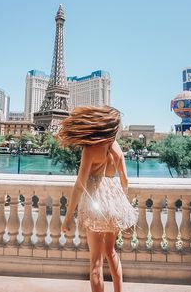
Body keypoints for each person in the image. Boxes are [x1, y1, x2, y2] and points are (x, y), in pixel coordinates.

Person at [58, 106, 138, 292]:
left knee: (95, 262)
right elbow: (125, 180)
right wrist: (120, 204)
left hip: (96, 204)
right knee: (111, 252)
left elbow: (80, 185)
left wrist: (68, 217)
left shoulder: (90, 149)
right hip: (114, 203)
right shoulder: (117, 148)